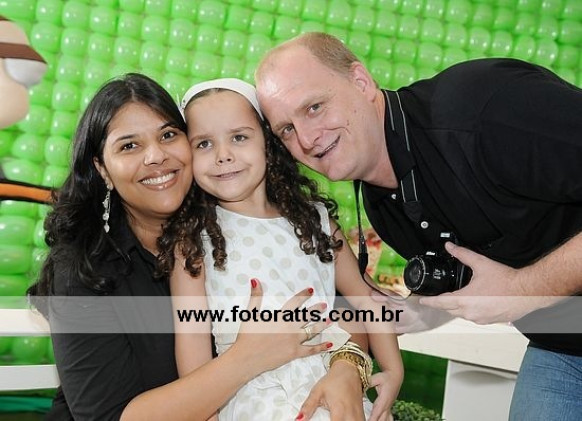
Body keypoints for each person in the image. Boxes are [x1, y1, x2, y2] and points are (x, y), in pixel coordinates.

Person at [254, 32, 582, 420]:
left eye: (314, 107)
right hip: (562, 345)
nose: (307, 140)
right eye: (286, 130)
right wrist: (420, 310)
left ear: (361, 81)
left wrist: (524, 288)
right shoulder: (380, 201)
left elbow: (515, 285)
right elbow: (483, 272)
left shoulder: (485, 108)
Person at [27, 73, 367, 421]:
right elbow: (107, 417)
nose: (156, 156)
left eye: (168, 135)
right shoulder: (82, 270)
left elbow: (342, 307)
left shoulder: (231, 231)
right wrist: (246, 358)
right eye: (129, 146)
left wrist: (348, 367)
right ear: (102, 169)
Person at [157, 78, 403, 421]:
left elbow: (366, 300)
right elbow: (194, 357)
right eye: (204, 144)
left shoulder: (315, 222)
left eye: (239, 137)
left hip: (334, 392)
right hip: (253, 401)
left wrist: (392, 369)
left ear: (267, 143)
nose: (223, 155)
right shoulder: (192, 243)